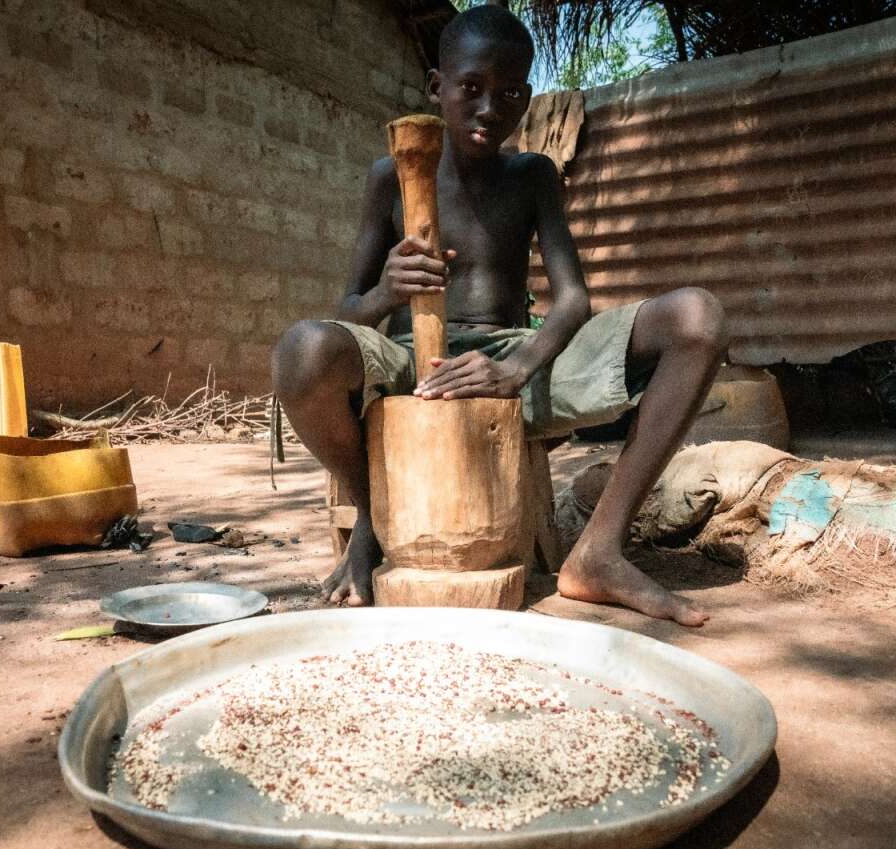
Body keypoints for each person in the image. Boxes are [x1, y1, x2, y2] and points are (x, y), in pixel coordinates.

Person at [271, 5, 726, 626]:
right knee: (303, 348)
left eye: (510, 92)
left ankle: (598, 551)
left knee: (698, 318)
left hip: (516, 362)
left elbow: (572, 299)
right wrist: (386, 292)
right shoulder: (391, 178)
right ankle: (373, 521)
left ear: (528, 97)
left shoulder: (532, 174)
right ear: (436, 87)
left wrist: (518, 368)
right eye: (472, 88)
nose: (491, 108)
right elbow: (349, 308)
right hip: (411, 364)